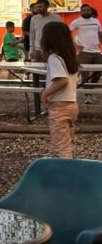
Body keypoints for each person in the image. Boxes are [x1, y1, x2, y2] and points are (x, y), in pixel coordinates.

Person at [40, 21, 79, 158]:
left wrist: (45, 93)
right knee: (66, 142)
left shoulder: (54, 58)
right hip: (72, 104)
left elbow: (62, 80)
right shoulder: (70, 58)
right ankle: (63, 167)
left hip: (59, 105)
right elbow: (74, 80)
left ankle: (66, 175)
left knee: (61, 147)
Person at [69, 3, 102, 104]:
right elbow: (67, 33)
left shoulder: (96, 21)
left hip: (96, 51)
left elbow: (100, 34)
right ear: (81, 12)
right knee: (85, 75)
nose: (86, 12)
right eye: (84, 10)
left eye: (88, 10)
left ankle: (90, 90)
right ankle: (87, 96)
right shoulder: (77, 22)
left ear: (91, 11)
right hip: (84, 53)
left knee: (98, 72)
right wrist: (75, 45)